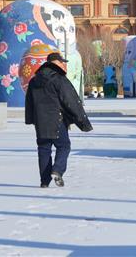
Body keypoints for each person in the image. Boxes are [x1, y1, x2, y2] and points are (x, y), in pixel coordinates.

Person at [25, 51, 92, 188]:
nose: (64, 65)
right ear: (56, 63)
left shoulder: (34, 80)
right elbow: (71, 101)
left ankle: (44, 181)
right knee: (63, 146)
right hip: (57, 120)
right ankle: (57, 170)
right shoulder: (58, 79)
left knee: (43, 149)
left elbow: (29, 102)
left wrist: (32, 119)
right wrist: (83, 122)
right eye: (62, 62)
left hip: (41, 122)